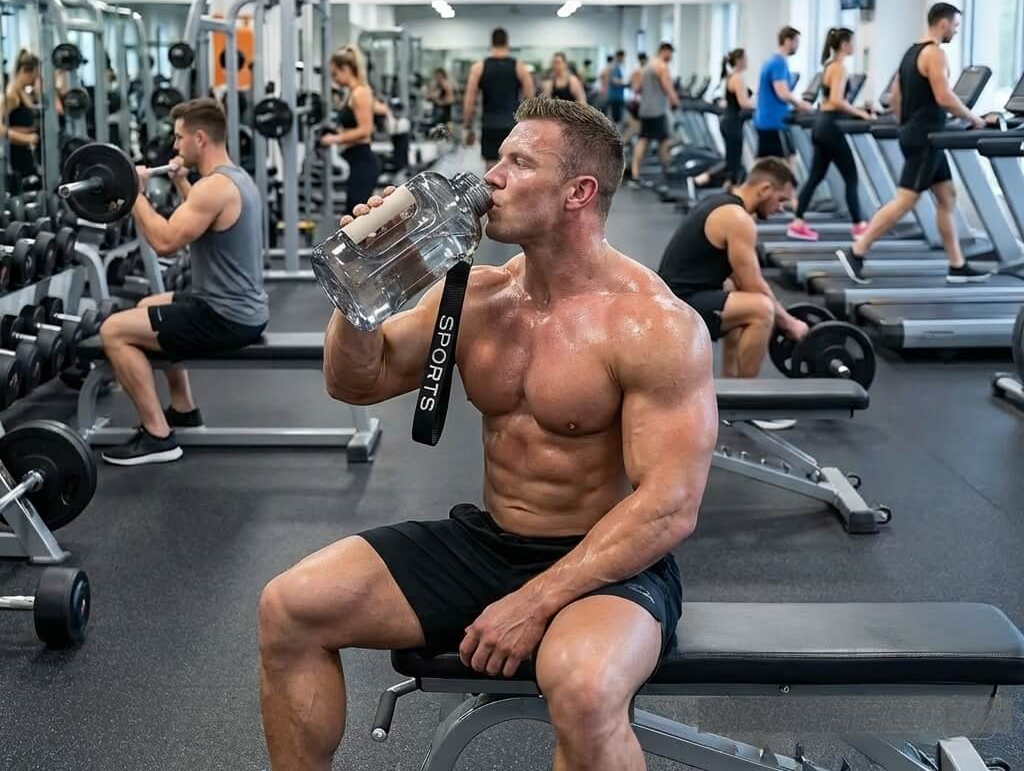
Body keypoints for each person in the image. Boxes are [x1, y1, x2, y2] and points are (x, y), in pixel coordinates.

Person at [259, 97, 719, 771]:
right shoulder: (479, 294)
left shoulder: (653, 325)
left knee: (586, 693)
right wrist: (359, 289)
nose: (492, 176)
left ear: (577, 193)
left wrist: (533, 602)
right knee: (289, 607)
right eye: (498, 157)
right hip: (489, 543)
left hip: (607, 564)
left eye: (518, 162)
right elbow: (359, 381)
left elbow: (670, 505)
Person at [99, 99, 269, 467]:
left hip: (226, 316)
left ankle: (158, 436)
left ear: (200, 138)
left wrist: (134, 193)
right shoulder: (233, 179)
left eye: (179, 138)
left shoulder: (215, 189)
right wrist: (180, 180)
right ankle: (183, 408)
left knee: (113, 330)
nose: (174, 147)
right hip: (237, 305)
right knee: (149, 306)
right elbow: (203, 217)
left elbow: (164, 240)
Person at [836, 2, 991, 284]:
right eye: (955, 25)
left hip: (922, 134)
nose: (955, 31)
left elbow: (895, 97)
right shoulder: (935, 53)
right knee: (905, 200)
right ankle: (857, 251)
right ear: (943, 23)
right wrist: (974, 118)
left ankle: (957, 265)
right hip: (927, 138)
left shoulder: (911, 52)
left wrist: (906, 122)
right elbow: (944, 97)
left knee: (947, 197)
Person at [658, 158, 809, 381]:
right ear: (765, 189)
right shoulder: (738, 218)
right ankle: (748, 402)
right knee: (761, 310)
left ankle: (730, 392)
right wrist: (789, 322)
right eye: (781, 200)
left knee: (739, 295)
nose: (780, 209)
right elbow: (755, 284)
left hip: (671, 299)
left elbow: (740, 279)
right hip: (678, 305)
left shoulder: (722, 203)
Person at [787, 28, 874, 241]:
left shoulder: (828, 66)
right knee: (851, 177)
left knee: (816, 177)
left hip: (821, 124)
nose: (854, 46)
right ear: (844, 44)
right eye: (852, 42)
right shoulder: (840, 68)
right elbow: (836, 100)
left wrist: (859, 110)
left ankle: (797, 222)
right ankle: (859, 225)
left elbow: (830, 101)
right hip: (830, 127)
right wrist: (862, 114)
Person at [319, 46, 381, 216]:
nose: (334, 79)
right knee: (352, 215)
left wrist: (335, 139)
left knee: (357, 218)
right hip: (355, 161)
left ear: (345, 69)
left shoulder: (360, 93)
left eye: (335, 74)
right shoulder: (352, 93)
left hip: (363, 162)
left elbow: (365, 130)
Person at [462, 27, 536, 162]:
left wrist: (468, 126)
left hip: (489, 125)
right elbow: (530, 98)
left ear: (491, 43)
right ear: (507, 43)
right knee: (513, 168)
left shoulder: (479, 67)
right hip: (512, 126)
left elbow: (469, 101)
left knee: (491, 169)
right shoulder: (519, 67)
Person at [755, 26, 810, 159]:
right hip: (774, 122)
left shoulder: (770, 61)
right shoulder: (779, 63)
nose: (797, 46)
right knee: (785, 164)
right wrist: (800, 104)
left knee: (766, 165)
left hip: (766, 120)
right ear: (787, 41)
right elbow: (782, 93)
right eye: (796, 42)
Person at [629, 42, 680, 185]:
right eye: (670, 53)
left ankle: (635, 173)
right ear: (664, 51)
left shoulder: (647, 66)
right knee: (663, 141)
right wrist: (676, 101)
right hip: (657, 110)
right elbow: (667, 87)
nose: (671, 57)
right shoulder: (662, 66)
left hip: (646, 109)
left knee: (644, 139)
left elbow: (637, 88)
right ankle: (667, 172)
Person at [3, 49, 41, 192]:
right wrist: (25, 138)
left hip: (27, 155)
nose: (35, 79)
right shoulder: (12, 94)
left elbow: (12, 123)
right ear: (25, 70)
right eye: (34, 74)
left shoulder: (22, 91)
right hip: (16, 157)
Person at [718, 48, 753, 189]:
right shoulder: (737, 78)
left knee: (732, 162)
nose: (747, 61)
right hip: (733, 123)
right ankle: (730, 195)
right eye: (745, 58)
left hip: (729, 122)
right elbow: (744, 103)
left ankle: (728, 193)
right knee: (734, 164)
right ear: (739, 61)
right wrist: (761, 106)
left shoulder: (731, 76)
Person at [425, 66, 455, 132]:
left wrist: (441, 102)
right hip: (437, 110)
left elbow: (451, 99)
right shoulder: (435, 84)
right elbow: (428, 95)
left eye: (438, 76)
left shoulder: (446, 84)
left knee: (445, 126)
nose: (437, 77)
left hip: (444, 110)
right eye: (436, 76)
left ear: (442, 75)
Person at [607, 49, 628, 126]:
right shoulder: (614, 66)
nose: (624, 59)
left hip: (618, 96)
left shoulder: (618, 67)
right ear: (620, 57)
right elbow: (613, 80)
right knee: (616, 120)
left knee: (618, 118)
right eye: (623, 57)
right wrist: (624, 82)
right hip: (615, 97)